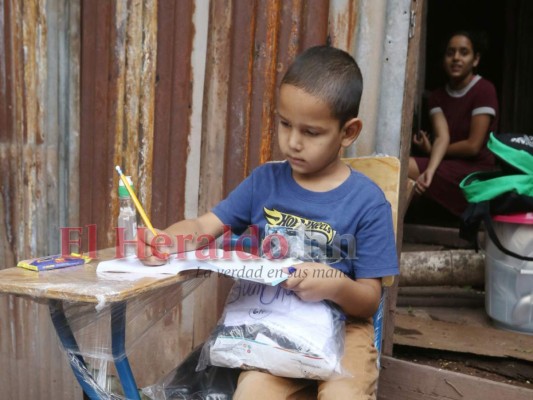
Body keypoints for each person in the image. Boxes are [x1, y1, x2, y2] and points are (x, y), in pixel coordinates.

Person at [140, 45, 399, 399]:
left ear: (348, 132)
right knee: (252, 395)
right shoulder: (264, 182)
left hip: (345, 329)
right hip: (273, 325)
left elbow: (370, 299)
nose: (292, 142)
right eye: (285, 124)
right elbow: (204, 227)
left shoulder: (368, 203)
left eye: (311, 132)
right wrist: (167, 240)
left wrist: (333, 285)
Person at [408, 30, 499, 217]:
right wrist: (430, 170)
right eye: (450, 53)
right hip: (445, 165)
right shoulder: (437, 97)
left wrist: (430, 150)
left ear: (475, 60)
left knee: (404, 169)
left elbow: (473, 146)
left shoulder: (484, 90)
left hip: (475, 171)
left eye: (464, 52)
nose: (456, 58)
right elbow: (443, 137)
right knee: (402, 171)